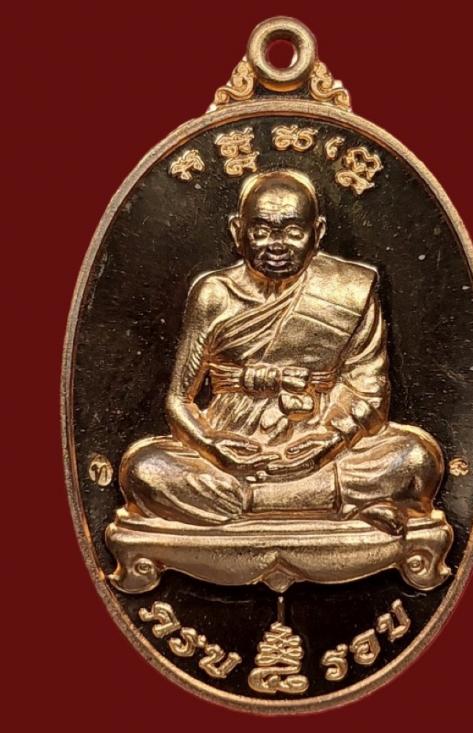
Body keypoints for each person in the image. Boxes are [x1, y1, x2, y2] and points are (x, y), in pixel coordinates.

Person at [119, 169, 443, 536]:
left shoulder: (349, 290)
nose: (276, 245)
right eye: (261, 231)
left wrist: (328, 442)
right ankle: (328, 503)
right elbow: (179, 399)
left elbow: (370, 390)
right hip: (231, 445)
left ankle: (254, 503)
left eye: (293, 232)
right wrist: (211, 446)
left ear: (317, 232)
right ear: (236, 231)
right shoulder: (214, 294)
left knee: (416, 460)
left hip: (323, 440)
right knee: (145, 469)